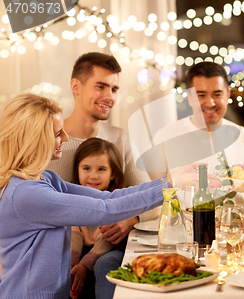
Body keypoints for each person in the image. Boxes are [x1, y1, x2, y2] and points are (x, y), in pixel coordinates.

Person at [0, 94, 164, 299]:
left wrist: (167, 183)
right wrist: (169, 187)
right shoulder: (27, 195)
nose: (66, 139)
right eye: (58, 133)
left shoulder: (47, 179)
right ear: (36, 139)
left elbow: (107, 199)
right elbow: (107, 211)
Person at [46, 52, 159, 298]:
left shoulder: (120, 139)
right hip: (60, 250)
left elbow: (157, 201)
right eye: (101, 86)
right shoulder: (47, 142)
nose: (110, 96)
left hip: (106, 249)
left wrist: (131, 220)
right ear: (76, 86)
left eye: (114, 88)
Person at [154, 61, 244, 194]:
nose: (210, 103)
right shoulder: (164, 137)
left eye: (217, 95)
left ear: (227, 94)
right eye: (201, 95)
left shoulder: (243, 137)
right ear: (190, 97)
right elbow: (152, 194)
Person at [70, 138, 126, 299]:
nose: (93, 176)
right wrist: (73, 265)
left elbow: (107, 239)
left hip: (109, 251)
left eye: (101, 169)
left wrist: (84, 265)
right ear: (77, 170)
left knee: (104, 262)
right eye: (86, 168)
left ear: (112, 174)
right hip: (83, 252)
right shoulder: (73, 199)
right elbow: (74, 234)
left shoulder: (115, 200)